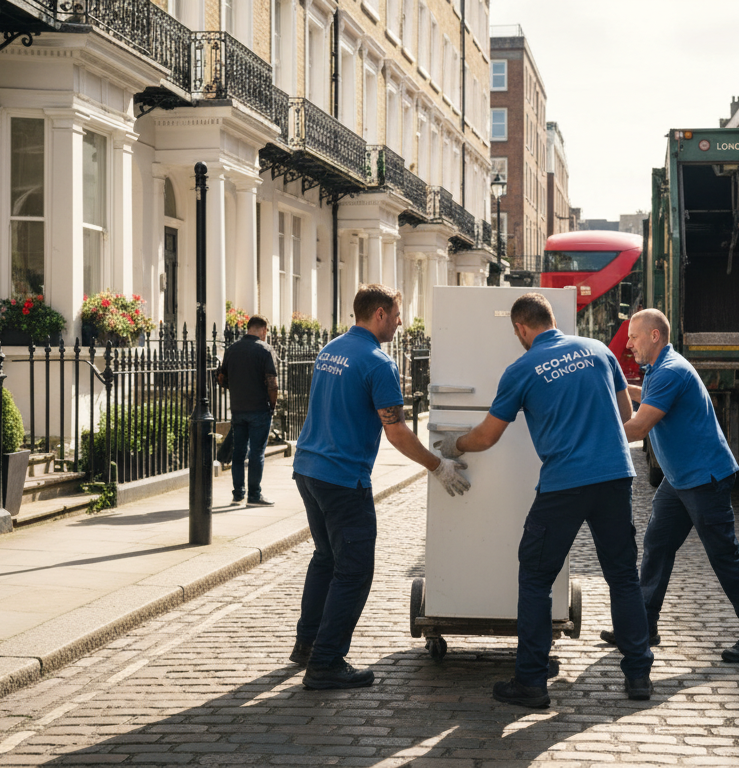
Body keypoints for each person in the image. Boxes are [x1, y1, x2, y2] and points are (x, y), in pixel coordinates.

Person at [444, 293, 654, 708]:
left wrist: (454, 444)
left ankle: (531, 681)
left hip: (564, 485)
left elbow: (487, 436)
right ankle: (638, 676)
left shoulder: (521, 369)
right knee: (623, 576)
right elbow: (627, 417)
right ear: (552, 319)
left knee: (537, 577)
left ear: (521, 328)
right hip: (614, 477)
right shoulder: (597, 351)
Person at [292, 285, 470, 690]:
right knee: (353, 571)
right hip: (341, 477)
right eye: (396, 314)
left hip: (308, 469)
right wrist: (437, 465)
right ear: (378, 314)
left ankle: (307, 643)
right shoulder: (378, 363)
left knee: (325, 558)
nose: (400, 322)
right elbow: (398, 434)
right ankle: (325, 661)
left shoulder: (331, 349)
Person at [601, 308, 739, 664]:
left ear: (654, 336)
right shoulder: (659, 369)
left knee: (724, 556)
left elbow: (637, 429)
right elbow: (644, 394)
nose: (629, 344)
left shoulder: (670, 371)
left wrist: (589, 435)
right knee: (657, 545)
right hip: (680, 478)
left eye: (633, 337)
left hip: (704, 478)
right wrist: (615, 385)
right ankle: (643, 625)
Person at [217, 315, 279, 507]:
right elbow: (272, 384)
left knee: (238, 452)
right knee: (257, 453)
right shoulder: (265, 350)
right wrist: (272, 405)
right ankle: (254, 495)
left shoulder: (232, 349)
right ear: (263, 330)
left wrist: (235, 388)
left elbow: (221, 378)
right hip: (259, 408)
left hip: (237, 408)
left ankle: (237, 494)